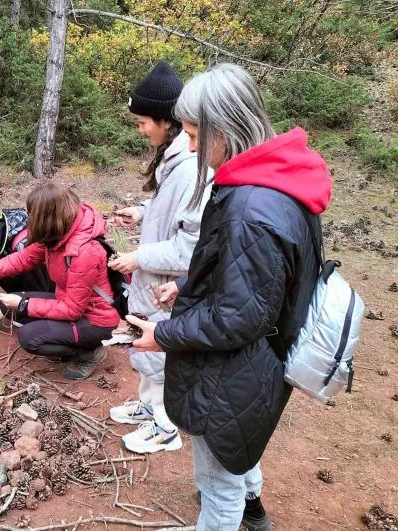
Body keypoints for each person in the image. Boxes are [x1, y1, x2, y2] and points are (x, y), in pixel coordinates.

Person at [128, 63, 331, 531]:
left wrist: (165, 334)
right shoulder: (280, 183)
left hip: (235, 368)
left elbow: (239, 317)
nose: (191, 147)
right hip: (263, 361)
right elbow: (259, 280)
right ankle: (253, 508)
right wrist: (189, 284)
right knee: (238, 448)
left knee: (217, 486)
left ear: (224, 130)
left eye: (194, 135)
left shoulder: (249, 209)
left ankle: (234, 514)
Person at [106, 61, 210, 455]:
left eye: (143, 122)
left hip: (167, 285)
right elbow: (171, 213)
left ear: (167, 120)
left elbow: (191, 246)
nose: (140, 130)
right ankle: (148, 406)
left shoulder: (191, 168)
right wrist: (142, 212)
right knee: (146, 349)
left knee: (162, 355)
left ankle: (166, 428)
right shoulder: (173, 158)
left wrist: (138, 257)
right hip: (153, 278)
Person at [0, 183, 119, 380]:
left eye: (33, 214)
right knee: (13, 304)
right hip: (69, 301)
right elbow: (23, 258)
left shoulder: (84, 251)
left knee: (29, 337)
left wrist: (24, 305)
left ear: (48, 217)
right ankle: (65, 341)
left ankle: (89, 353)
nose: (30, 219)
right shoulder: (60, 234)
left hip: (94, 320)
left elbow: (73, 310)